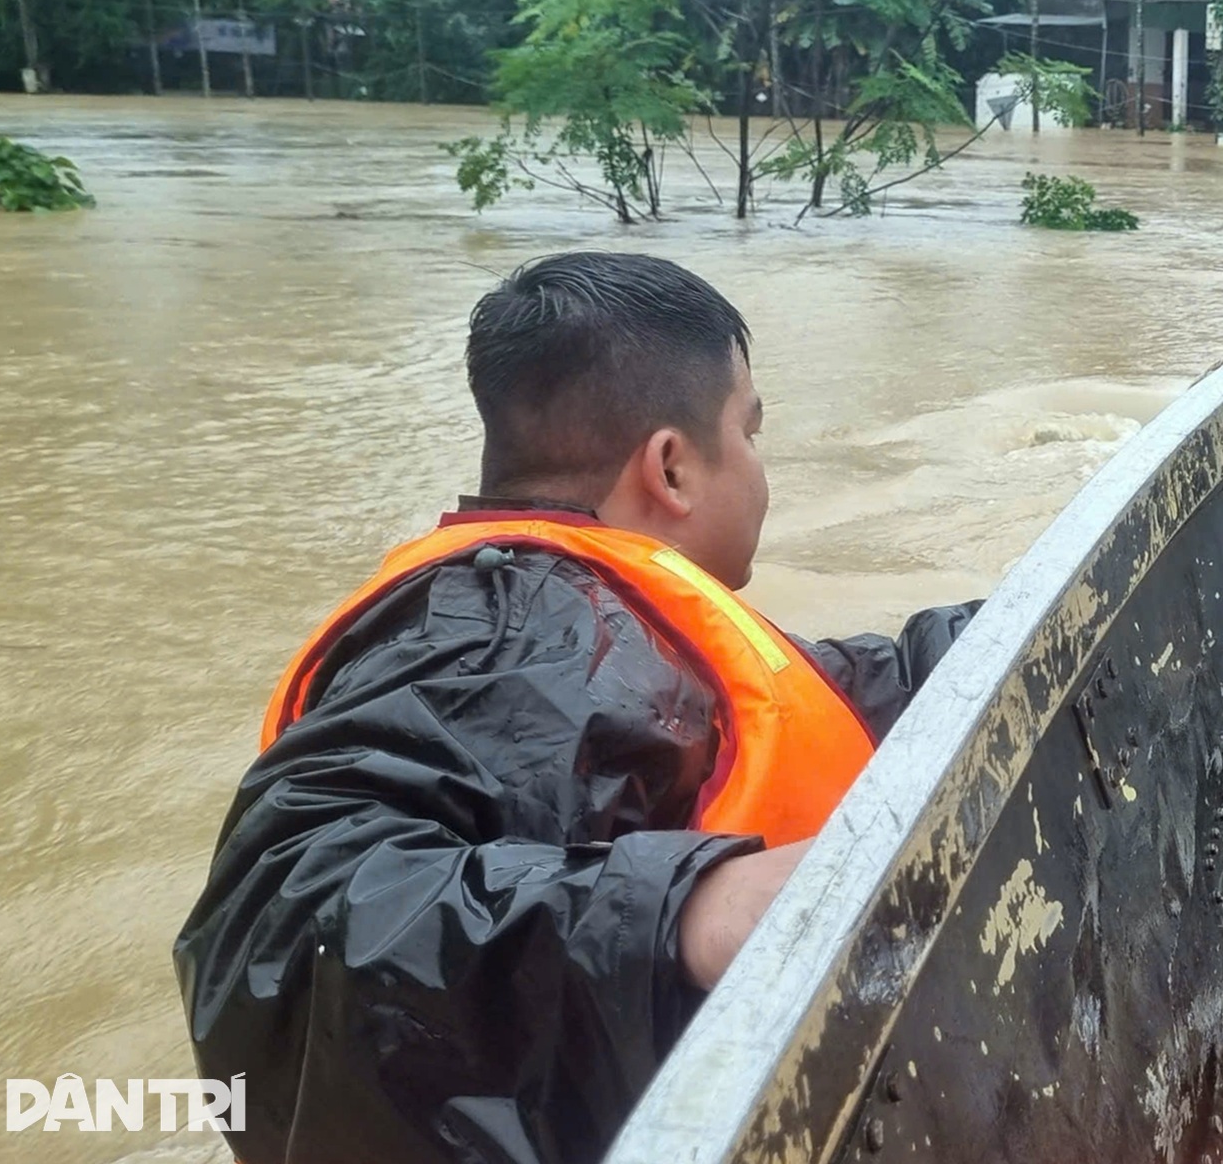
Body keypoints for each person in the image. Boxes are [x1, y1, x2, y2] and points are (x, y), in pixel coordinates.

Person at [174, 253, 978, 1164]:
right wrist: (693, 912)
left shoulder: (576, 622)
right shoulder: (518, 627)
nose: (759, 471)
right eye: (750, 434)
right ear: (672, 468)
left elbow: (839, 689)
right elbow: (282, 912)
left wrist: (992, 632)